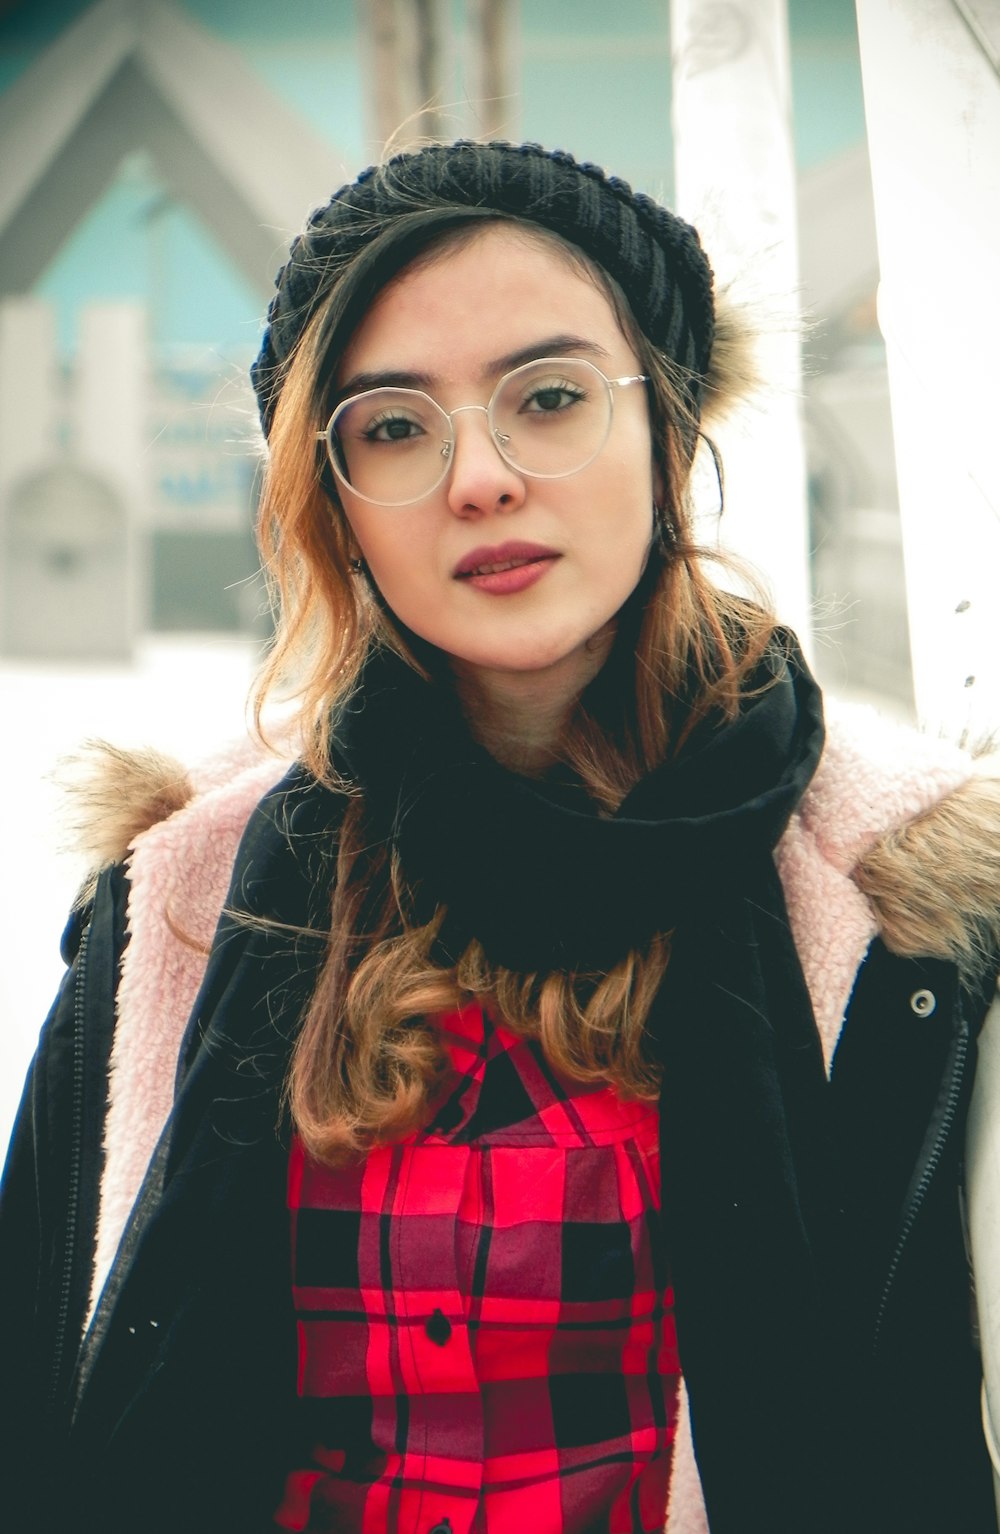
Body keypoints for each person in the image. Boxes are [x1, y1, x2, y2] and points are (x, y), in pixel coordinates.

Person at [2, 139, 999, 1534]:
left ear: (666, 423)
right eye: (395, 426)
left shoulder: (897, 899)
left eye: (547, 397)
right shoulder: (180, 894)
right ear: (332, 501)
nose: (479, 478)